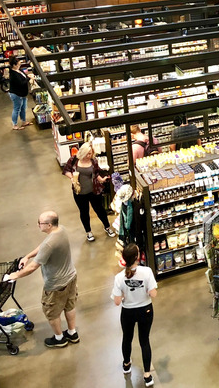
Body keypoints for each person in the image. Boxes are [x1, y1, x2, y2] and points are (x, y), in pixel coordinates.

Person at [3, 211, 79, 348]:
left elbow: (33, 267)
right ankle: (72, 333)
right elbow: (43, 246)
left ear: (49, 225)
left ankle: (59, 338)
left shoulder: (50, 243)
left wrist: (15, 275)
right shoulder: (61, 230)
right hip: (71, 277)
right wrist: (28, 256)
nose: (38, 225)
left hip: (56, 285)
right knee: (70, 305)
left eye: (40, 223)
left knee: (51, 312)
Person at [112, 244, 157, 387]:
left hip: (128, 312)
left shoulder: (119, 277)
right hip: (145, 310)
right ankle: (147, 376)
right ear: (137, 257)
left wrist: (125, 295)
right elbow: (153, 294)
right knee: (144, 341)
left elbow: (117, 302)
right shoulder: (147, 271)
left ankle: (126, 365)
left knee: (127, 338)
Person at [62, 142, 115, 241]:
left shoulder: (93, 161)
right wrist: (72, 178)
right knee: (84, 212)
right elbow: (66, 171)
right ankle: (88, 232)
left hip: (93, 191)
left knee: (100, 209)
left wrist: (101, 180)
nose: (89, 156)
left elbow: (96, 173)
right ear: (82, 152)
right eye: (87, 153)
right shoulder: (74, 160)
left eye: (90, 153)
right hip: (79, 192)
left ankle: (107, 227)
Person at [8, 56, 32, 131]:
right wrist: (28, 78)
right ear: (14, 65)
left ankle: (24, 121)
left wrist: (28, 76)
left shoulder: (19, 70)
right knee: (17, 108)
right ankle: (14, 124)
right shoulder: (13, 75)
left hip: (22, 93)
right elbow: (21, 83)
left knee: (23, 108)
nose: (19, 65)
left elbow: (24, 77)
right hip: (16, 94)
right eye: (18, 64)